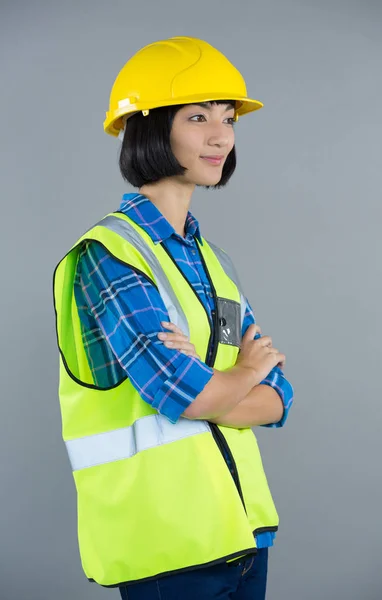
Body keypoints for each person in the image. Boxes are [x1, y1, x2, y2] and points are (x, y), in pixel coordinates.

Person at [52, 36, 294, 600]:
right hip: (168, 545)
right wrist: (239, 376)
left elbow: (280, 396)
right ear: (150, 130)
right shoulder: (110, 256)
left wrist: (227, 383)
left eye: (228, 118)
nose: (221, 136)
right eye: (197, 118)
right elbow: (184, 398)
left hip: (241, 534)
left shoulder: (212, 262)